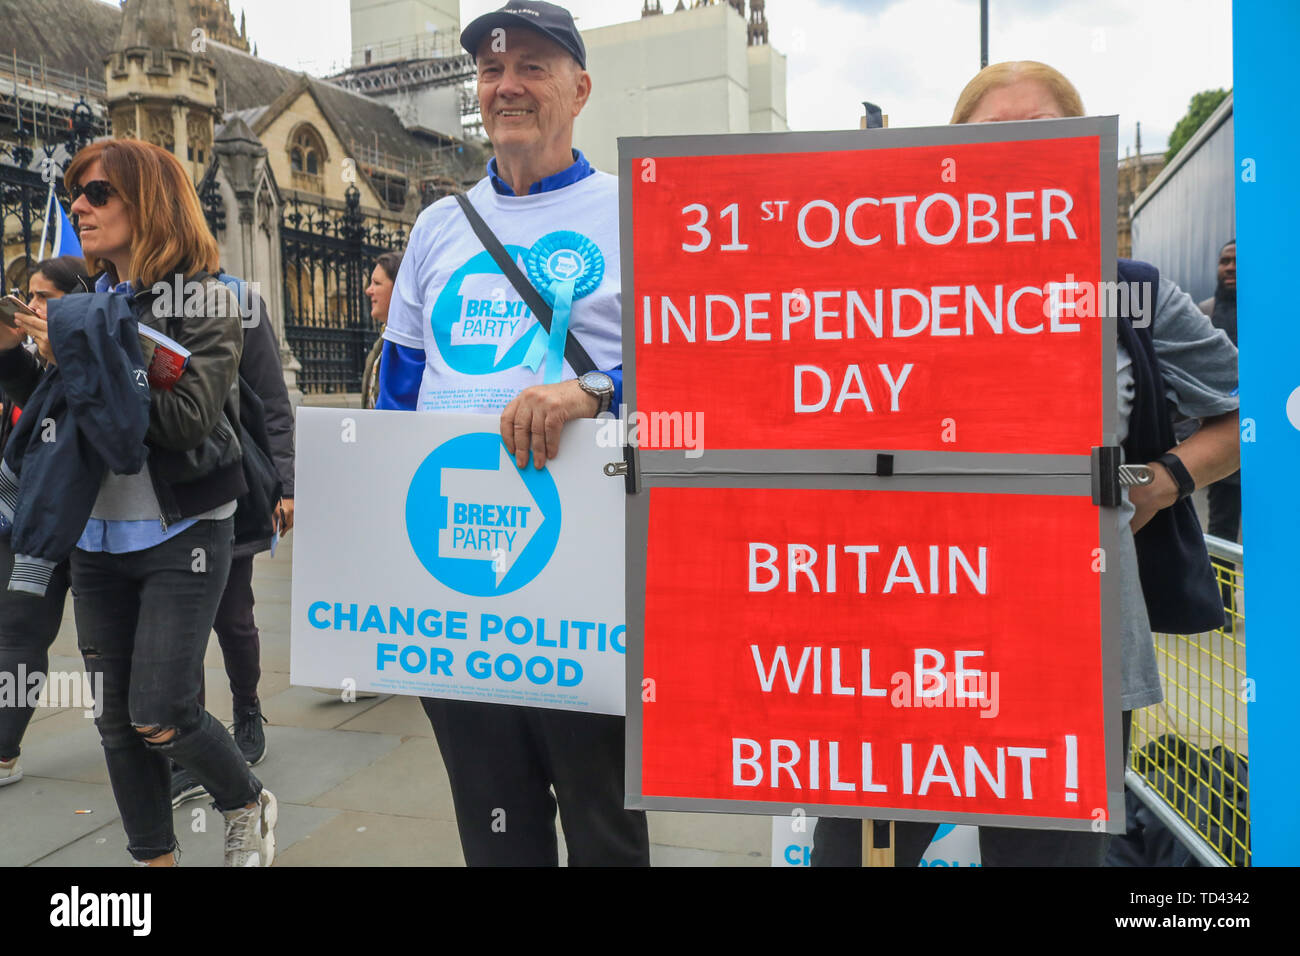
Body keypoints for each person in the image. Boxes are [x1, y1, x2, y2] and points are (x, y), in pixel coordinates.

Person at [812, 61, 1240, 867]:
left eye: (1038, 135)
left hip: (1069, 666)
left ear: (1078, 155)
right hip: (901, 656)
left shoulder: (1129, 295)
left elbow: (1245, 412)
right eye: (986, 142)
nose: (1011, 157)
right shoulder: (882, 297)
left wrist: (1168, 479)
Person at [377, 0, 648, 866]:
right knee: (495, 829)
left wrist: (591, 392)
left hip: (587, 584)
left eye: (532, 65)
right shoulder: (437, 227)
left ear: (580, 88)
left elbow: (694, 373)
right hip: (460, 578)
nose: (508, 85)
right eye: (493, 69)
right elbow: (398, 396)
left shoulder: (639, 211)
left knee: (604, 827)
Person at [6, 138, 277, 866]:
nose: (78, 207)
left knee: (160, 711)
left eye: (98, 193)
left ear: (148, 201)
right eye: (73, 193)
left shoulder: (209, 301)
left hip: (182, 529)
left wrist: (89, 361)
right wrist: (16, 357)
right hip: (94, 539)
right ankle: (154, 861)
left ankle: (244, 798)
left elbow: (186, 420)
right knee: (116, 725)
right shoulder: (87, 304)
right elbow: (56, 417)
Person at [171, 273, 296, 806]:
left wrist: (286, 486)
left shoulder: (239, 299)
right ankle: (192, 744)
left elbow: (270, 398)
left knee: (233, 617)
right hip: (156, 496)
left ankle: (247, 707)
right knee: (177, 629)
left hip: (227, 485)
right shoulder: (122, 293)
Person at [0, 255, 89, 787]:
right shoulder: (45, 365)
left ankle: (160, 741)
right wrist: (11, 342)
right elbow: (23, 384)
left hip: (108, 529)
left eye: (44, 299)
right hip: (40, 520)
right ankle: (4, 749)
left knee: (112, 647)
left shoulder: (106, 351)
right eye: (26, 297)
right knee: (18, 630)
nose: (32, 307)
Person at [1198, 240, 1240, 547]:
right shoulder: (1204, 313)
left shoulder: (1280, 314)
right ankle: (1220, 598)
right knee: (1220, 537)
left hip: (1273, 446)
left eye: (1237, 261)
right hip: (1221, 444)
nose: (1229, 267)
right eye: (1224, 260)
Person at [361, 252, 402, 410]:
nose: (368, 291)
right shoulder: (381, 343)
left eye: (376, 283)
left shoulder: (412, 347)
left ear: (398, 288)